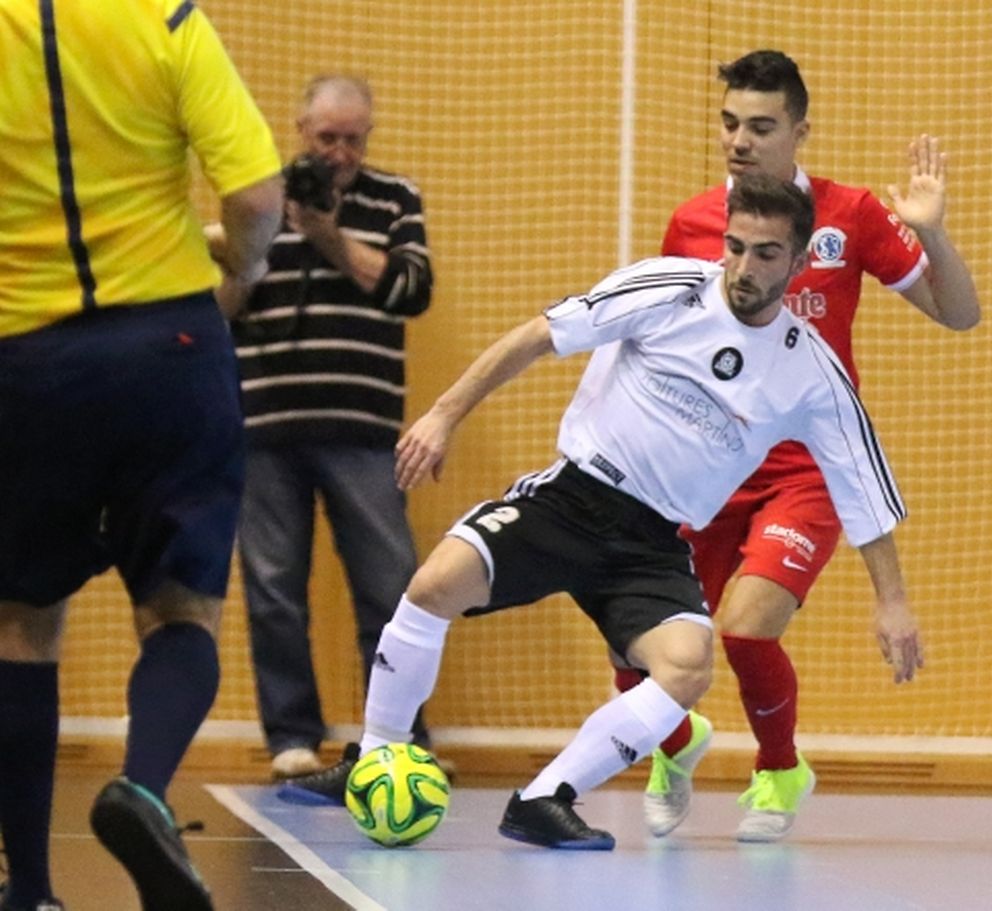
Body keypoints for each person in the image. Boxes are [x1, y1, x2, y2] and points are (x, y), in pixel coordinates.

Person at [278, 172, 923, 849]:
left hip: (651, 541)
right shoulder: (669, 288)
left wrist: (894, 601)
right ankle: (375, 755)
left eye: (766, 254)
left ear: (798, 263)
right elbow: (537, 336)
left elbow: (861, 483)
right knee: (433, 583)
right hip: (574, 497)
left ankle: (541, 799)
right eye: (735, 246)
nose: (743, 266)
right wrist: (444, 415)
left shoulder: (812, 370)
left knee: (686, 665)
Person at [620, 49, 981, 843]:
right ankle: (674, 745)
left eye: (760, 126)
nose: (738, 141)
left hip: (805, 468)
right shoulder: (691, 223)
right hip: (705, 461)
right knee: (639, 639)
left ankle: (780, 767)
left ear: (800, 130)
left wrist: (933, 235)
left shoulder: (848, 216)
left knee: (747, 628)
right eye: (729, 124)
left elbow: (959, 314)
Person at [0, 1, 282, 909]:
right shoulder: (160, 19)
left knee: (21, 621)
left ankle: (32, 891)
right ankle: (143, 786)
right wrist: (239, 271)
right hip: (170, 348)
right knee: (179, 610)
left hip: (24, 362)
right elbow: (251, 194)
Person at [222, 75, 436, 781]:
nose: (340, 152)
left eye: (353, 138)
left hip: (363, 426)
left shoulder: (395, 198)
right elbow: (222, 304)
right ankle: (291, 735)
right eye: (327, 138)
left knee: (391, 585)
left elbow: (411, 290)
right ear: (300, 130)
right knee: (273, 587)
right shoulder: (256, 195)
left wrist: (327, 236)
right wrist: (262, 235)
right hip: (263, 423)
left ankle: (399, 738)